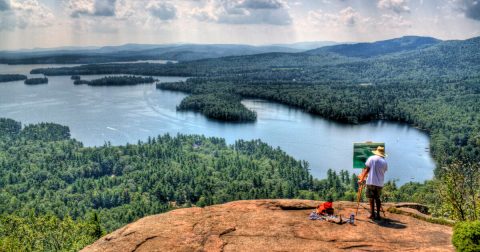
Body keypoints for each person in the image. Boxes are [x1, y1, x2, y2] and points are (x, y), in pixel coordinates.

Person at [362, 146, 388, 220]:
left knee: (371, 198)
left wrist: (362, 178)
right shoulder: (384, 162)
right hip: (379, 183)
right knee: (377, 198)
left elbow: (367, 169)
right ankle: (378, 215)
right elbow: (384, 171)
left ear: (377, 152)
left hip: (371, 181)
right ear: (382, 154)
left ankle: (372, 214)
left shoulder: (371, 158)